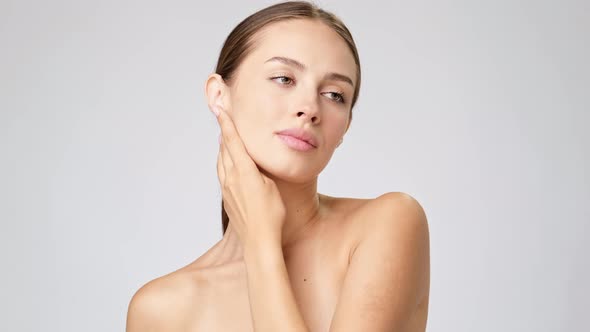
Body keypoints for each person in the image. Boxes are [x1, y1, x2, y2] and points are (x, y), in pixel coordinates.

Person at [126, 1, 430, 331]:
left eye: (334, 95)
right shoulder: (160, 310)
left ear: (344, 128)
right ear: (219, 95)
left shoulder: (389, 224)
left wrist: (260, 241)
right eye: (284, 78)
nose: (310, 107)